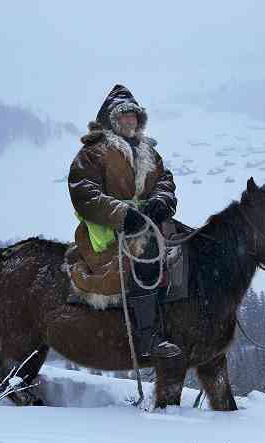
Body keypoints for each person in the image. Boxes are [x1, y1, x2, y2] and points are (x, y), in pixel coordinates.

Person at [67, 84, 181, 359]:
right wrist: (123, 215)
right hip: (108, 227)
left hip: (148, 221)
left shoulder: (149, 152)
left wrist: (160, 202)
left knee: (189, 242)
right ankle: (147, 338)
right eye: (124, 116)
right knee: (148, 256)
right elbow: (83, 191)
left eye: (134, 116)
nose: (130, 120)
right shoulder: (93, 151)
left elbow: (165, 182)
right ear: (111, 120)